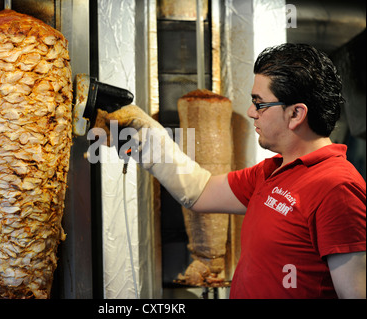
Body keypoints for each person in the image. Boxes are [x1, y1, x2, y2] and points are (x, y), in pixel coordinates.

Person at [96, 43, 366, 298]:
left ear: (296, 114)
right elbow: (199, 192)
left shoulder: (336, 188)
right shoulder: (271, 172)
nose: (250, 112)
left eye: (259, 103)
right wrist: (144, 137)